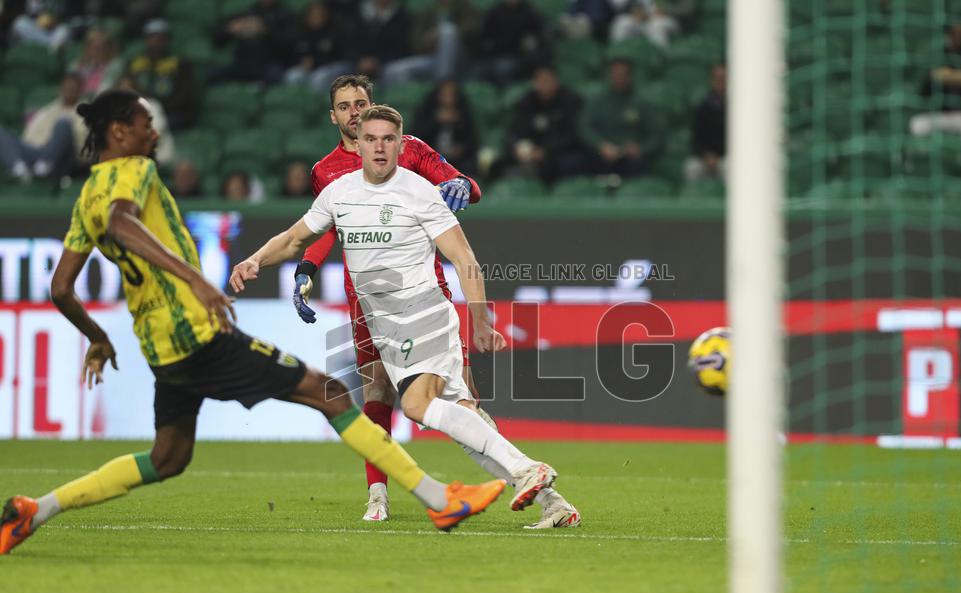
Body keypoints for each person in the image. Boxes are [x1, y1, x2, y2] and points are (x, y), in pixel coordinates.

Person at [0, 90, 505, 556]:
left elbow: (61, 287)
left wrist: (96, 336)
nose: (153, 134)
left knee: (167, 458)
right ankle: (439, 497)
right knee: (325, 389)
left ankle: (35, 510)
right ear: (118, 132)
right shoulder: (134, 171)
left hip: (160, 347)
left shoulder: (86, 194)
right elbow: (122, 223)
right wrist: (194, 280)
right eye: (144, 124)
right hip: (198, 334)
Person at [231, 105, 576, 530]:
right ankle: (553, 502)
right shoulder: (338, 193)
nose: (379, 147)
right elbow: (295, 239)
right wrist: (255, 260)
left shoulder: (419, 192)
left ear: (400, 144)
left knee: (415, 405)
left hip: (425, 314)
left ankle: (528, 470)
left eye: (388, 139)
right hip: (385, 328)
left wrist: (481, 320)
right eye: (371, 139)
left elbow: (463, 257)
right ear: (356, 145)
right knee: (462, 419)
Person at [501, 64, 587, 184]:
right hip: (532, 152)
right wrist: (517, 147)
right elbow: (515, 130)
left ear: (556, 81)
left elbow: (572, 134)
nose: (544, 85)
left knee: (571, 161)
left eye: (548, 81)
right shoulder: (526, 101)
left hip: (559, 152)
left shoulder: (570, 101)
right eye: (540, 81)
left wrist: (545, 151)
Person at [580, 57, 665, 178]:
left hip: (629, 156)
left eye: (622, 74)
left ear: (630, 76)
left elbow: (657, 135)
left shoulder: (642, 103)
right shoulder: (597, 101)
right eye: (615, 74)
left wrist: (641, 149)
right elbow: (585, 127)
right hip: (600, 153)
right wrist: (600, 145)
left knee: (638, 164)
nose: (618, 78)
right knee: (577, 162)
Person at [0, 72, 87, 181]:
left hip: (63, 160)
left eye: (72, 89)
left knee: (63, 123)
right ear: (60, 89)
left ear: (80, 91)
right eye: (66, 88)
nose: (68, 91)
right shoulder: (48, 110)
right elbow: (28, 137)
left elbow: (84, 149)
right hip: (37, 154)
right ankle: (20, 169)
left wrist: (53, 145)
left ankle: (44, 167)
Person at [125, 19, 198, 129]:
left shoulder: (180, 63)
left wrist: (160, 107)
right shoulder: (135, 62)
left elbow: (184, 93)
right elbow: (127, 85)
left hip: (170, 111)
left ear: (167, 40)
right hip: (140, 109)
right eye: (152, 37)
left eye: (160, 38)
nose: (156, 41)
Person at [411, 79, 479, 177]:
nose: (448, 99)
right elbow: (416, 138)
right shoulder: (426, 113)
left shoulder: (463, 113)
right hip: (431, 159)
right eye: (445, 95)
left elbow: (472, 140)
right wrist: (435, 122)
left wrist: (461, 148)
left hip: (457, 161)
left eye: (452, 95)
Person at [684, 64, 726, 183]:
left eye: (723, 78)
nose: (721, 82)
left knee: (730, 167)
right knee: (692, 168)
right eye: (717, 78)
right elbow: (696, 138)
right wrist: (706, 155)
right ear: (711, 80)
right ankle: (693, 200)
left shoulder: (739, 104)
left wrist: (719, 156)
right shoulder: (703, 106)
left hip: (726, 157)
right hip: (706, 157)